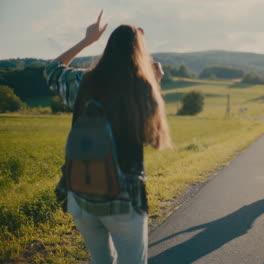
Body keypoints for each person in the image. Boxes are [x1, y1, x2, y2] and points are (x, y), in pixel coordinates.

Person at [43, 11, 171, 263]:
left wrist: (87, 40)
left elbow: (50, 71)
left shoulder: (83, 80)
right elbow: (154, 138)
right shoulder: (141, 87)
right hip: (123, 197)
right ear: (139, 52)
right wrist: (155, 83)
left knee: (99, 259)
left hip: (79, 192)